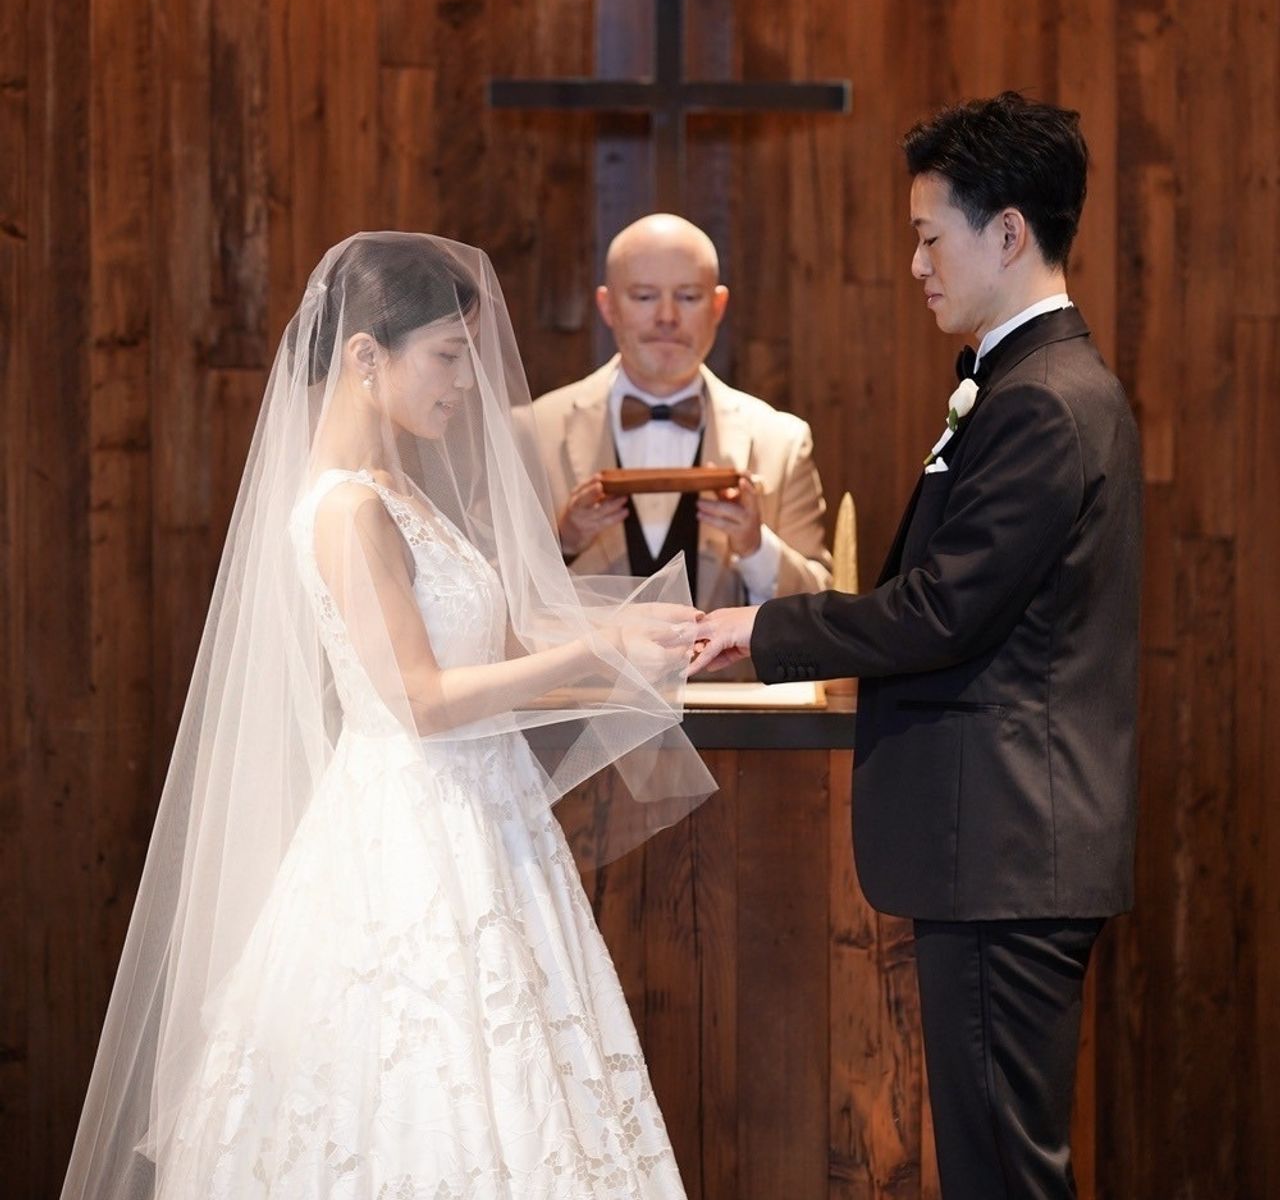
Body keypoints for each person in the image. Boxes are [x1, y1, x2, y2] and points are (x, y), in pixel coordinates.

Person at [61, 233, 717, 1200]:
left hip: (485, 824)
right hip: (409, 833)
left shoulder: (399, 490)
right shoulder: (346, 511)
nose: (466, 383)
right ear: (366, 356)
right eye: (447, 356)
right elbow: (419, 700)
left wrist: (631, 639)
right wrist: (596, 653)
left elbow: (487, 652)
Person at [692, 93, 1142, 1199]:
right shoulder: (1026, 382)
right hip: (1001, 847)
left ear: (1008, 231)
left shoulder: (1042, 399)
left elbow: (943, 611)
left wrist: (760, 627)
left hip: (1005, 845)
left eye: (929, 235)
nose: (915, 264)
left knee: (1001, 1172)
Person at [532, 213, 831, 613]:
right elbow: (492, 596)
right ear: (607, 306)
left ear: (718, 306)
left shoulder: (781, 442)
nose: (667, 317)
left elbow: (821, 606)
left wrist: (755, 547)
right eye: (644, 297)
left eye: (688, 297)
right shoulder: (531, 431)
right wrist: (563, 541)